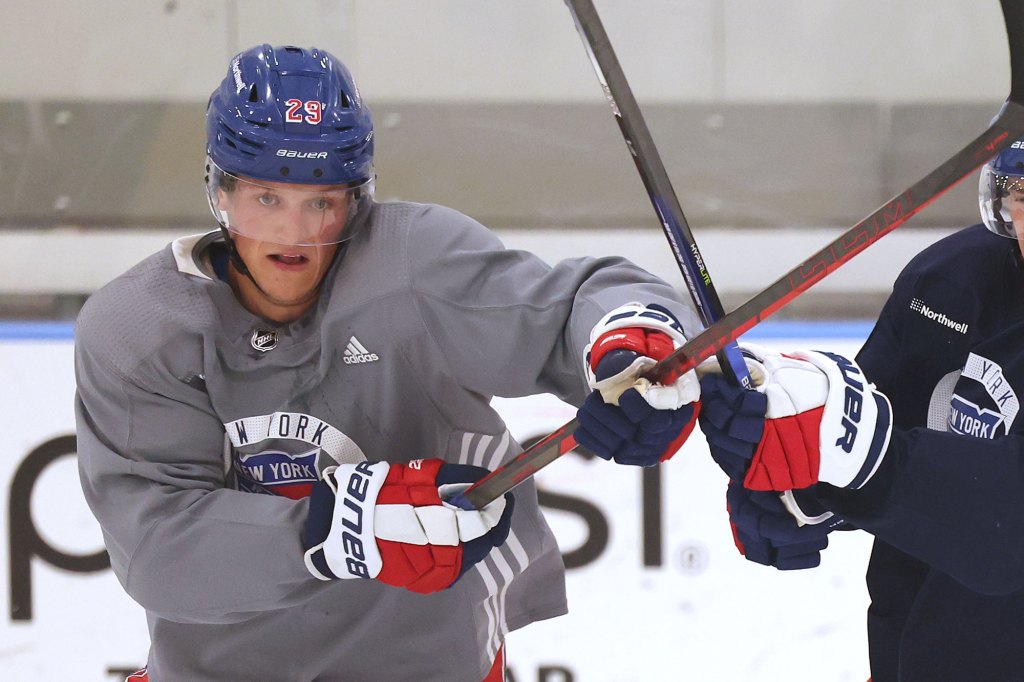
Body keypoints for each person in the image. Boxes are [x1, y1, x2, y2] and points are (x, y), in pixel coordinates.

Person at [74, 44, 701, 681]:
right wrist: (339, 526)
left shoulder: (414, 263)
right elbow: (158, 549)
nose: (294, 234)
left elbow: (568, 310)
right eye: (267, 198)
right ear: (222, 192)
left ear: (355, 201)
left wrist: (627, 339)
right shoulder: (137, 328)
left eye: (321, 202)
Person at [696, 139, 1024, 681]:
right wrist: (809, 488)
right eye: (1023, 193)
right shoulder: (950, 283)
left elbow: (1005, 530)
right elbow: (887, 427)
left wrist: (857, 455)